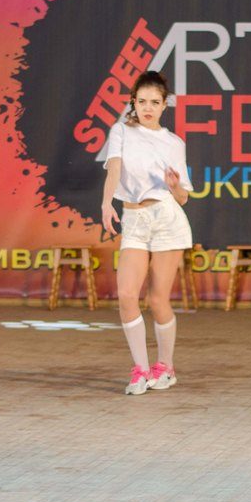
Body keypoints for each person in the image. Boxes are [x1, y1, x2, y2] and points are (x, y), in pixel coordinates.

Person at [101, 71, 194, 395]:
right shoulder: (121, 131)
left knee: (157, 299)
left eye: (154, 102)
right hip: (135, 220)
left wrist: (175, 185)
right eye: (142, 102)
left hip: (167, 219)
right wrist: (106, 203)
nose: (148, 108)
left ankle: (165, 367)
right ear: (134, 103)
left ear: (165, 104)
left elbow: (183, 197)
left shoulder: (174, 143)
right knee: (127, 295)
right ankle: (140, 369)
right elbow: (114, 168)